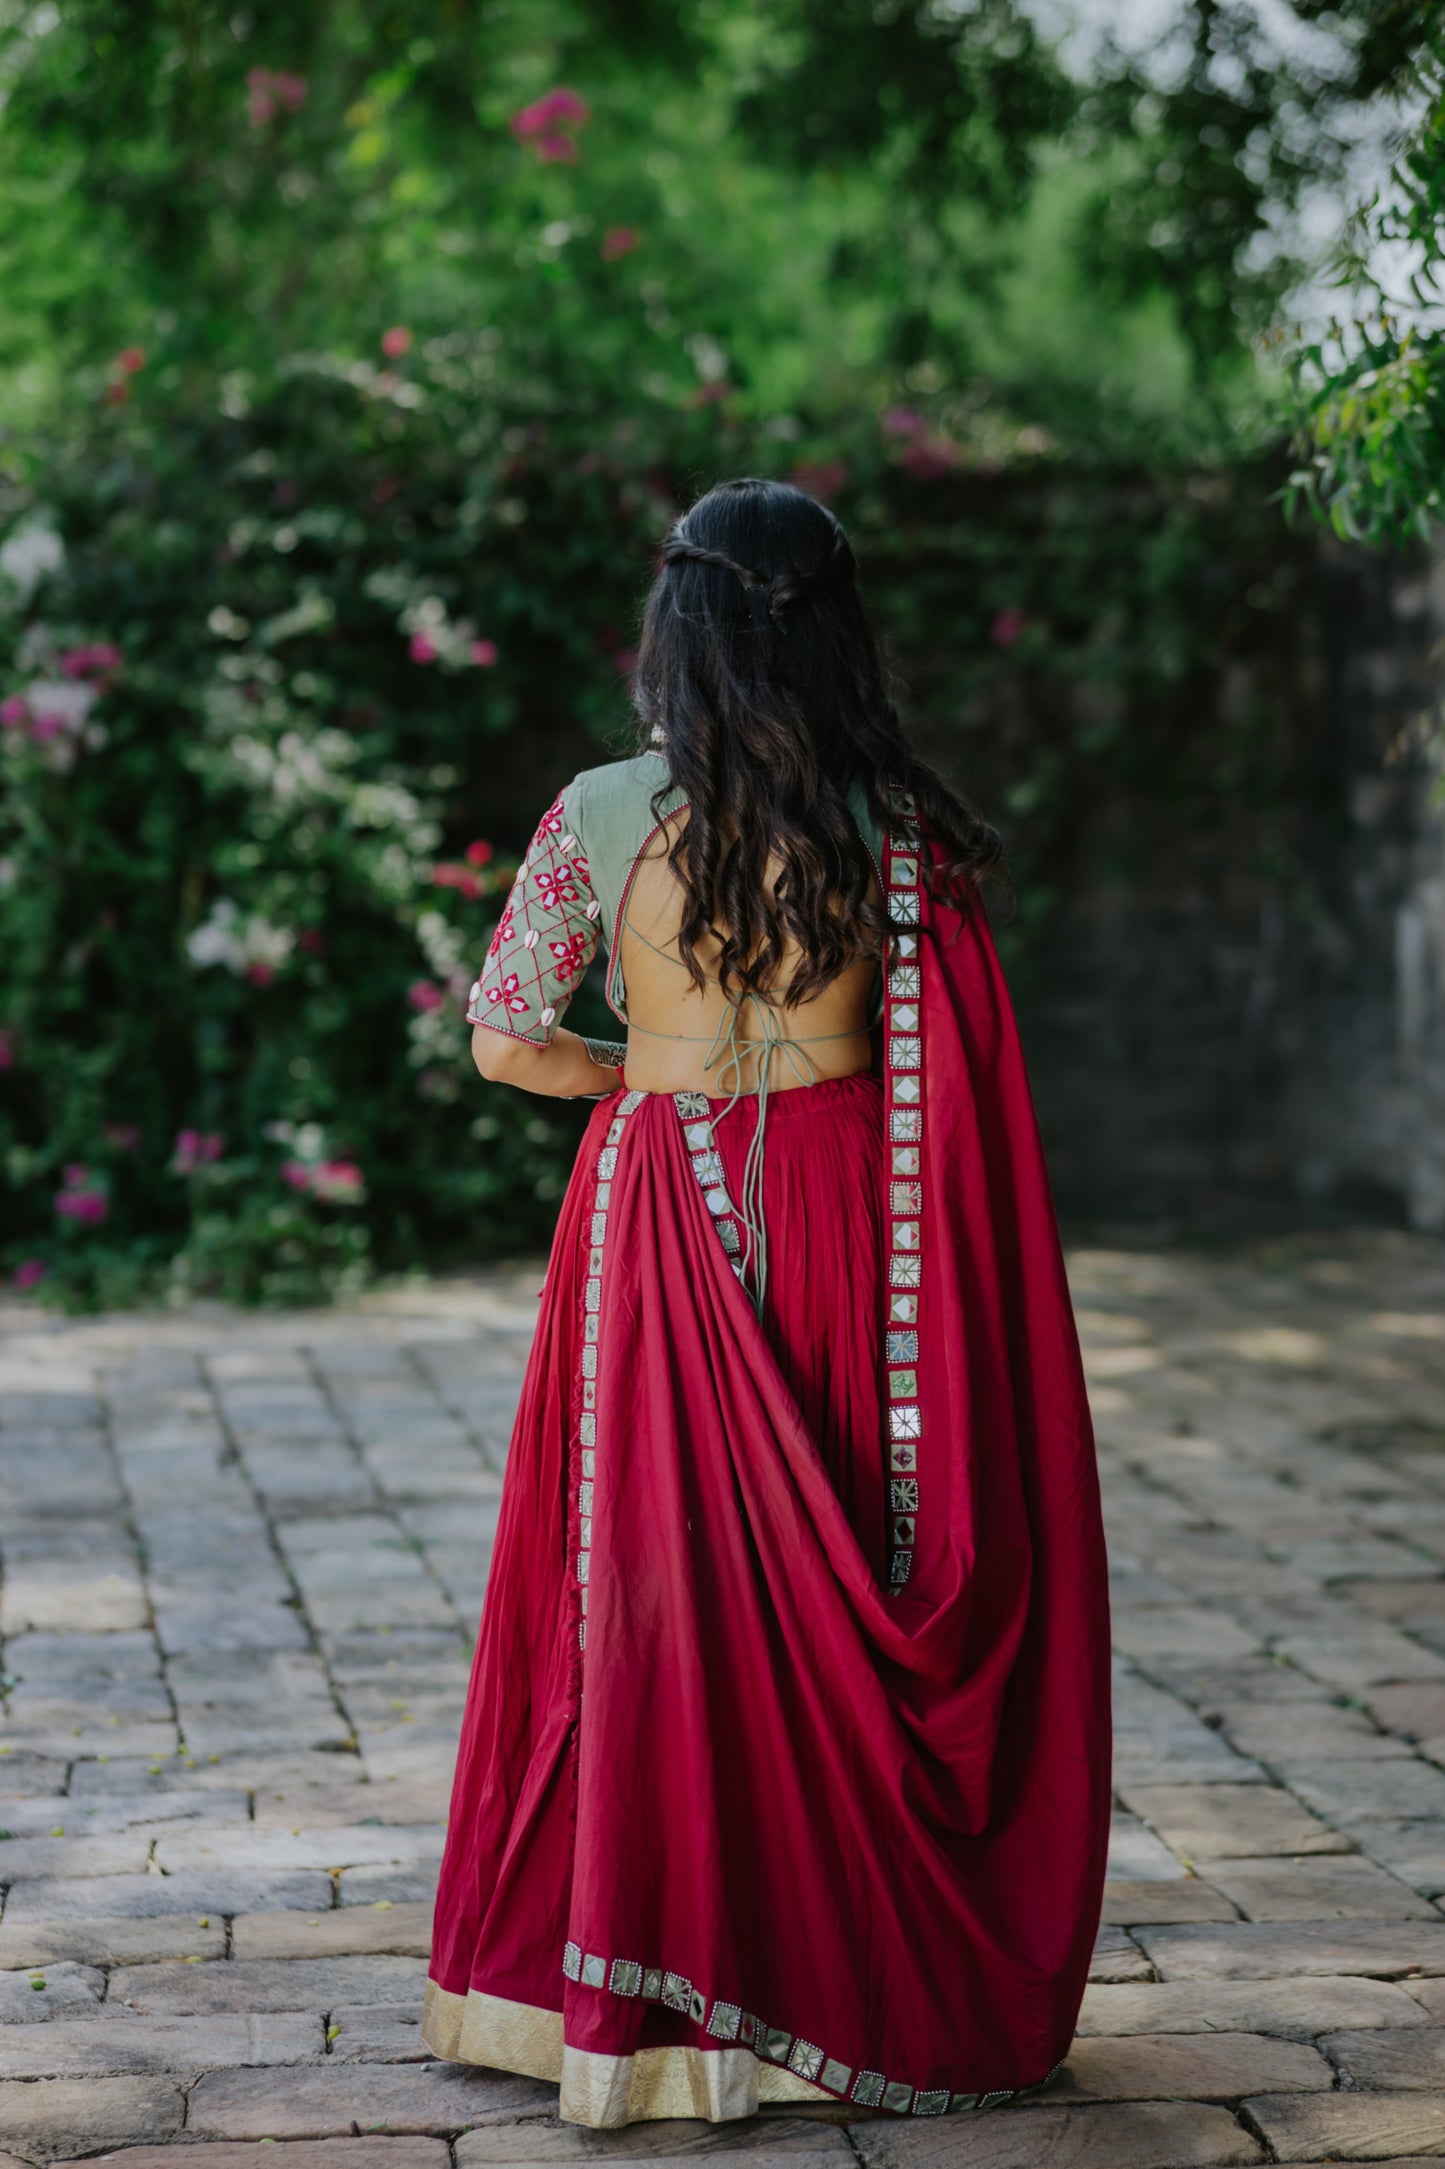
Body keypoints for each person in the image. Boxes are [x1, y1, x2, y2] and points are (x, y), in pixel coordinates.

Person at [423, 477, 1111, 2128]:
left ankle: (651, 2001)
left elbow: (505, 1036)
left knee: (650, 1586)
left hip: (660, 1201)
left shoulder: (596, 809)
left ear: (677, 626)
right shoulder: (898, 827)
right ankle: (834, 1983)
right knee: (853, 1565)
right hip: (844, 1213)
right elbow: (948, 1080)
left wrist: (638, 1075)